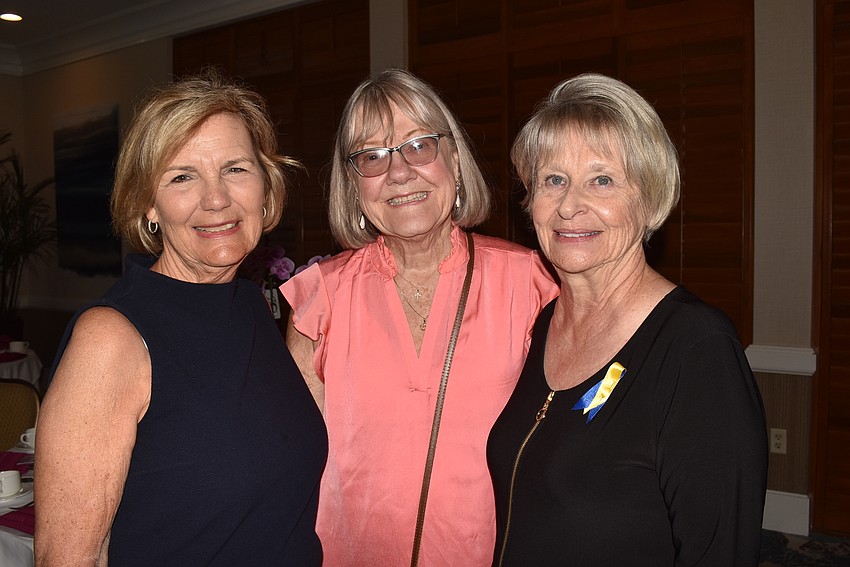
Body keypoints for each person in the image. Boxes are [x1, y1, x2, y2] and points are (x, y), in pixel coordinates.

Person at [35, 70, 327, 566]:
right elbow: (68, 559)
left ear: (266, 186)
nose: (216, 199)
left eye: (235, 168)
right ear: (149, 205)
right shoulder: (111, 339)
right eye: (182, 177)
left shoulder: (252, 306)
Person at [487, 72, 768, 566]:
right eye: (554, 180)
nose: (570, 206)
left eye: (602, 180)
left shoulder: (696, 348)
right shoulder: (545, 322)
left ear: (649, 199)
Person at [281, 69, 559, 566]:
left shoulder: (531, 285)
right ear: (354, 184)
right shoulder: (321, 298)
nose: (399, 172)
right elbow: (290, 464)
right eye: (372, 156)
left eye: (419, 145)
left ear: (454, 160)